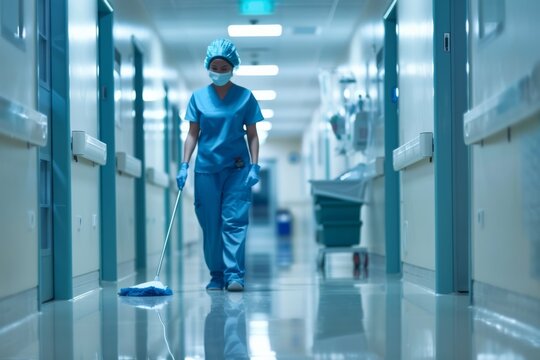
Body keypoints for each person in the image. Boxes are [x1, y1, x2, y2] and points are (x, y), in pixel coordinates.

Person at [176, 38, 264, 292]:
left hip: (237, 169)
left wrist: (254, 165)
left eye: (224, 68)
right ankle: (216, 274)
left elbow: (253, 134)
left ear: (232, 68)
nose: (219, 72)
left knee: (234, 221)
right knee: (210, 223)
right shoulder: (198, 98)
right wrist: (184, 164)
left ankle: (234, 275)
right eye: (215, 67)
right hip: (206, 169)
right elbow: (193, 133)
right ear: (208, 66)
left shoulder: (245, 97)